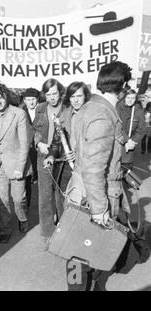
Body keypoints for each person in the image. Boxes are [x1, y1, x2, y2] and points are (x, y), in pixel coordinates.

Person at [65, 61, 133, 291]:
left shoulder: (89, 107)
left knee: (77, 252)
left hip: (83, 192)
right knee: (84, 254)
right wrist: (100, 208)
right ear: (122, 86)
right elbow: (94, 169)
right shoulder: (103, 115)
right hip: (94, 196)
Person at [0, 83, 31, 243]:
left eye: (1, 98)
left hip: (17, 163)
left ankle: (22, 218)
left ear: (6, 98)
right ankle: (5, 230)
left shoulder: (19, 114)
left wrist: (20, 168)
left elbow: (24, 144)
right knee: (2, 200)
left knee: (18, 200)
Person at [44, 82, 91, 220]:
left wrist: (79, 153)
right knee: (64, 201)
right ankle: (63, 230)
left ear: (85, 96)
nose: (76, 100)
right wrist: (51, 156)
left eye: (79, 96)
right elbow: (56, 141)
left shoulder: (92, 115)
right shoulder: (64, 115)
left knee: (82, 203)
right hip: (65, 168)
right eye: (72, 96)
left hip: (85, 168)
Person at [33, 78, 66, 249]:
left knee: (62, 196)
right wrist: (39, 143)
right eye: (48, 94)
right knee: (45, 196)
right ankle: (47, 233)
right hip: (44, 157)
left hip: (64, 159)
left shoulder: (67, 108)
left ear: (60, 93)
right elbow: (36, 131)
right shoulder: (40, 109)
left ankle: (65, 231)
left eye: (54, 93)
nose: (51, 97)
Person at [19, 88, 40, 209]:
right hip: (27, 148)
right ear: (24, 100)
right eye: (28, 99)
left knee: (42, 178)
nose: (31, 102)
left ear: (37, 99)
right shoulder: (21, 111)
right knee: (26, 179)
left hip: (40, 148)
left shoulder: (42, 110)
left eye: (33, 99)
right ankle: (26, 205)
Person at [116, 88, 145, 171]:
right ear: (124, 98)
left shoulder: (138, 111)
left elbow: (141, 129)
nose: (130, 100)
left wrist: (132, 142)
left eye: (133, 98)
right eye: (128, 98)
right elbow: (118, 126)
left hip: (129, 146)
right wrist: (127, 140)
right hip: (118, 142)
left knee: (126, 170)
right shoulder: (117, 108)